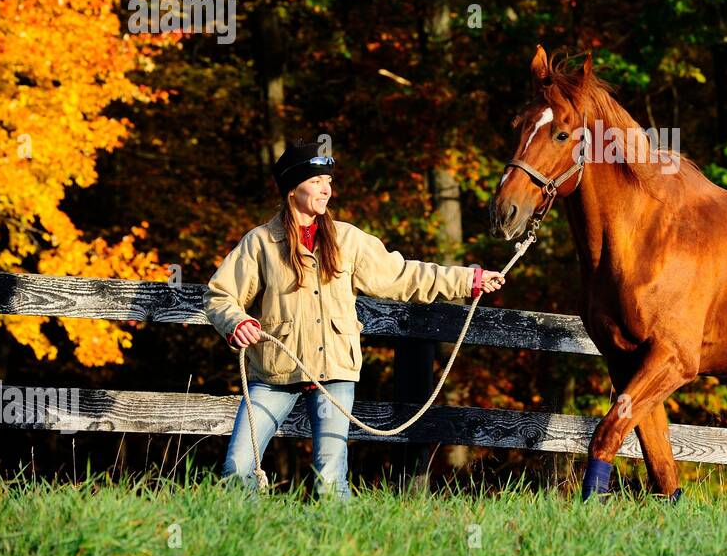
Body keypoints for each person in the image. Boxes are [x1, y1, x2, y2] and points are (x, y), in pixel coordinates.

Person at [204, 139, 505, 499]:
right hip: (274, 372)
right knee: (238, 465)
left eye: (329, 180)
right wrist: (235, 322)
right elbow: (220, 295)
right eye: (316, 181)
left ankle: (339, 549)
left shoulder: (348, 239)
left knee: (330, 478)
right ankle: (240, 540)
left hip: (336, 370)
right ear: (292, 188)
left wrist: (467, 280)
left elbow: (403, 276)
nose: (326, 188)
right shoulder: (260, 243)